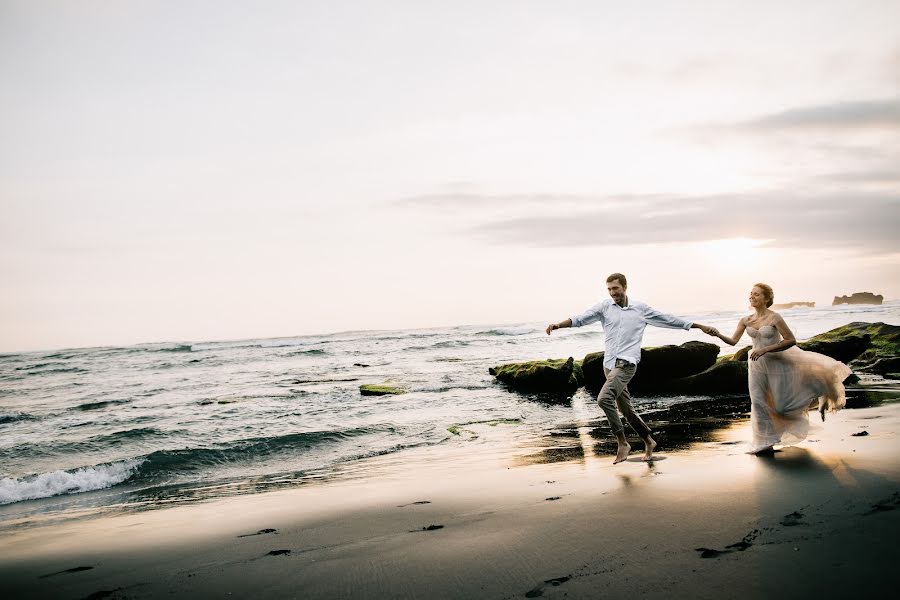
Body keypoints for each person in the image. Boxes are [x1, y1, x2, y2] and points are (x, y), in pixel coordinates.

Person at [546, 273, 716, 464]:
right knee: (625, 409)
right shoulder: (604, 307)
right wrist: (559, 325)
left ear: (625, 287)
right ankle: (649, 441)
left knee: (604, 399)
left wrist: (699, 326)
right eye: (609, 289)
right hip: (609, 365)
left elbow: (668, 319)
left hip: (627, 364)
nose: (612, 293)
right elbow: (581, 319)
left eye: (615, 289)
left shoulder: (640, 309)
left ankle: (622, 442)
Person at [705, 283, 852, 454]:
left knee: (781, 405)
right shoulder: (746, 320)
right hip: (756, 365)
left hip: (777, 363)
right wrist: (717, 334)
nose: (752, 297)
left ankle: (808, 402)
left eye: (757, 294)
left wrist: (766, 349)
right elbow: (733, 341)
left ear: (767, 299)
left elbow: (791, 340)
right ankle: (764, 443)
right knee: (759, 403)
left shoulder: (775, 318)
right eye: (751, 294)